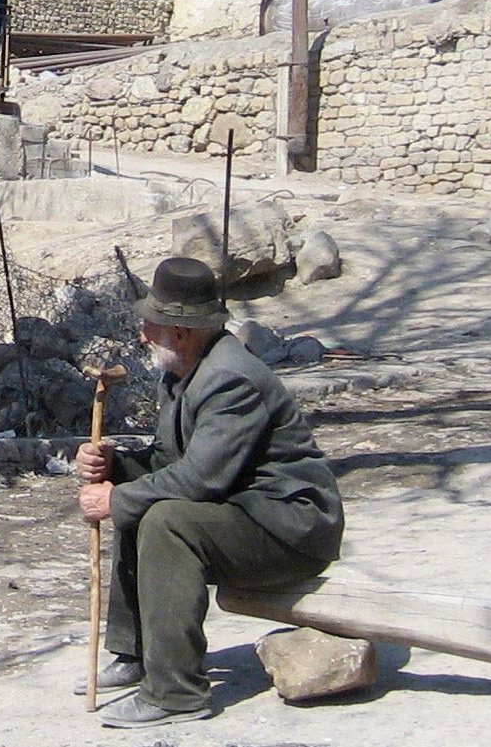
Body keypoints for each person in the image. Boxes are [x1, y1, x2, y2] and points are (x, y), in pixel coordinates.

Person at [74, 257, 344, 729]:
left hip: (291, 528)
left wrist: (115, 501)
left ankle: (176, 692)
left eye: (151, 326)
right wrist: (115, 466)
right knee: (142, 499)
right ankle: (137, 653)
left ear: (181, 332)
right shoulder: (183, 372)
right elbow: (169, 461)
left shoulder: (230, 379)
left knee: (165, 520)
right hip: (246, 513)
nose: (143, 336)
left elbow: (200, 480)